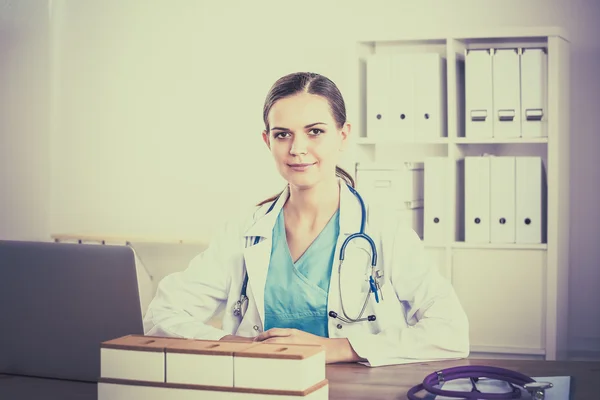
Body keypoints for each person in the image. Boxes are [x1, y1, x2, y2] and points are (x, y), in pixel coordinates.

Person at [143, 72, 470, 367]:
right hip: (261, 387)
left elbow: (450, 332)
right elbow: (161, 315)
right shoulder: (245, 232)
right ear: (266, 140)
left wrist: (339, 348)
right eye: (282, 134)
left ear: (343, 136)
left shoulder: (384, 229)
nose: (297, 148)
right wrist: (239, 345)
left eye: (315, 131)